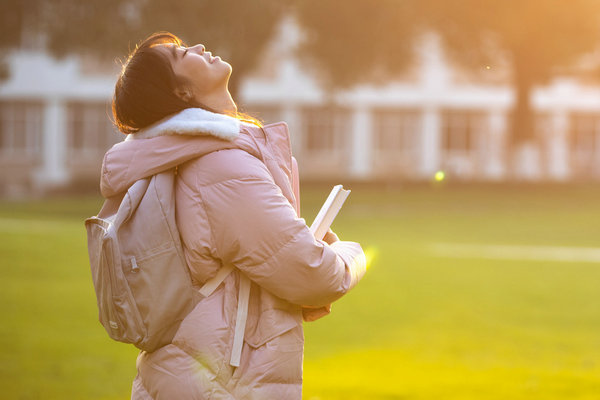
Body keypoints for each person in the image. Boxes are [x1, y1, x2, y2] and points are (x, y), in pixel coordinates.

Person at [104, 31, 367, 400]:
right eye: (181, 55)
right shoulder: (221, 167)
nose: (196, 46)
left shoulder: (193, 158)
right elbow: (314, 274)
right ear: (181, 93)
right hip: (221, 386)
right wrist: (351, 255)